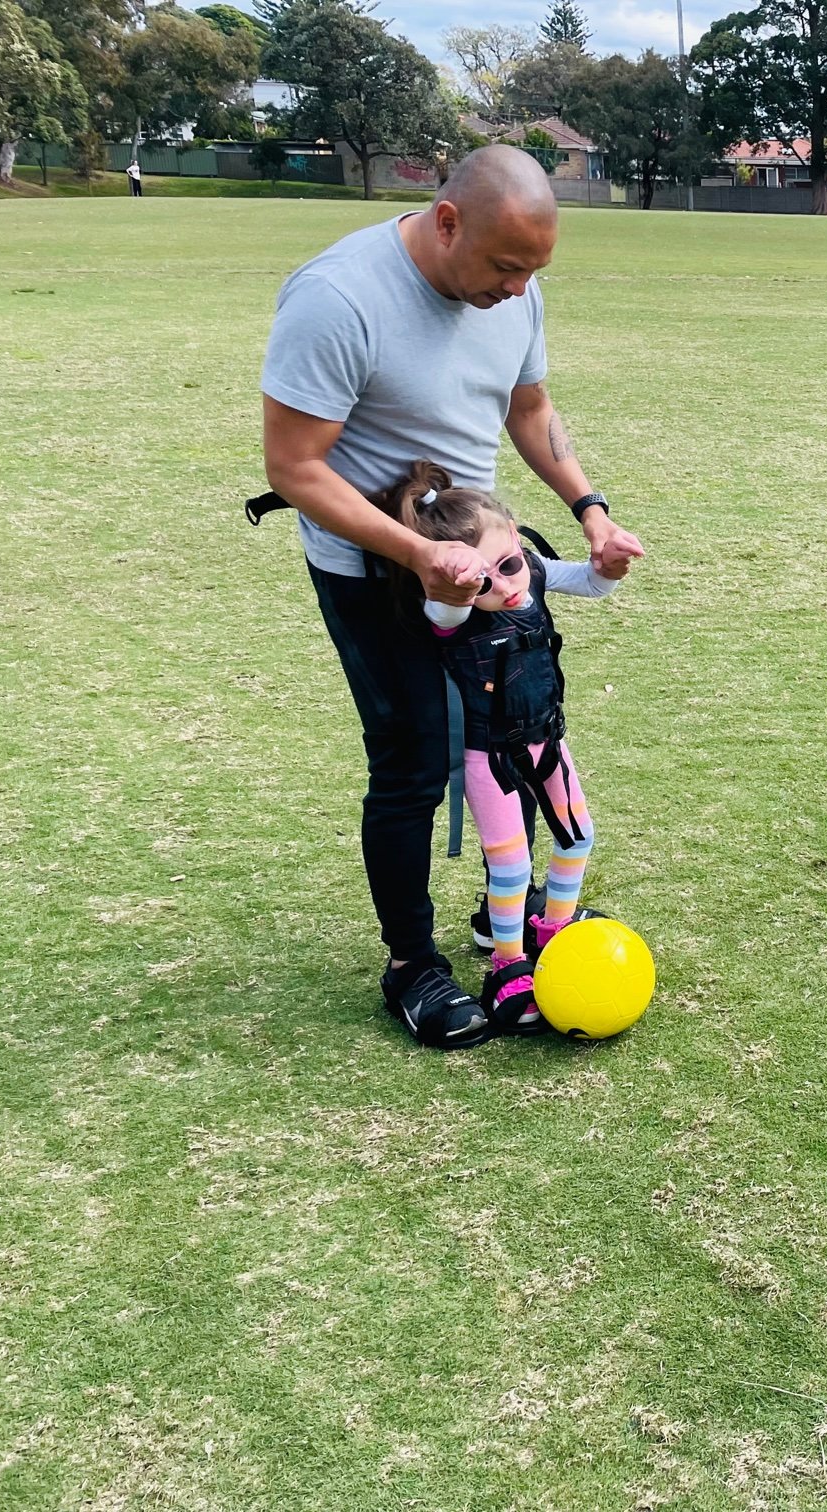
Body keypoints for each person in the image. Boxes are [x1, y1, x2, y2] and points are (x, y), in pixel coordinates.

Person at [260, 145, 643, 1050]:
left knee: (511, 733)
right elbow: (294, 467)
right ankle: (411, 965)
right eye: (505, 267)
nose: (518, 291)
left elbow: (530, 410)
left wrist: (587, 510)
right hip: (377, 571)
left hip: (482, 566)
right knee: (413, 760)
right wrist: (416, 555)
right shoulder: (338, 298)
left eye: (534, 271)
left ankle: (504, 921)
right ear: (446, 221)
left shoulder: (516, 289)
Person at [375, 460, 615, 1034]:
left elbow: (589, 581)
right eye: (485, 582)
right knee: (510, 866)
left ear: (515, 536)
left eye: (508, 566)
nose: (506, 587)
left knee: (577, 836)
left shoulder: (526, 566)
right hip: (492, 758)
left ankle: (552, 931)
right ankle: (508, 964)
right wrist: (458, 580)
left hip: (548, 739)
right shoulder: (450, 609)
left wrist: (610, 565)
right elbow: (447, 607)